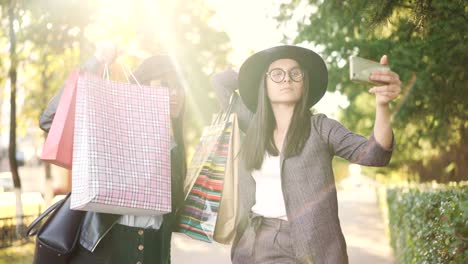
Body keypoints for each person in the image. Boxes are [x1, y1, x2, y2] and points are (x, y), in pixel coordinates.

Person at [212, 45, 401, 264]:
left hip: (315, 246)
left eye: (295, 73)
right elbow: (219, 82)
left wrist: (382, 104)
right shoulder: (253, 124)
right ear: (264, 83)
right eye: (276, 74)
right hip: (259, 242)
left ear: (305, 83)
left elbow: (376, 154)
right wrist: (248, 78)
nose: (286, 79)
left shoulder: (321, 128)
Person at [39, 43, 186, 264]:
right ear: (142, 88)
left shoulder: (175, 147)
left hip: (153, 254)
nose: (174, 93)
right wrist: (96, 61)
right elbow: (51, 119)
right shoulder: (114, 126)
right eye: (165, 84)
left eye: (179, 86)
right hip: (105, 251)